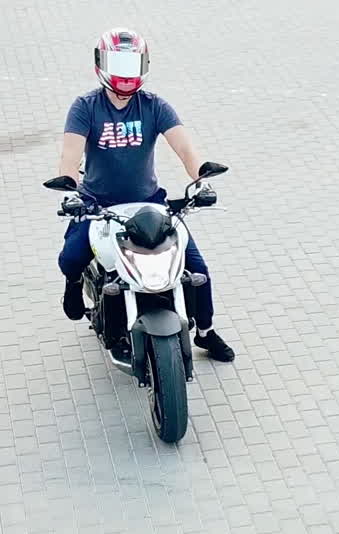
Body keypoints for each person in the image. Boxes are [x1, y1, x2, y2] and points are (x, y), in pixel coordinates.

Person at [56, 28, 235, 363]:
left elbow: (185, 149)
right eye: (119, 65)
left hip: (149, 203)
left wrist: (201, 178)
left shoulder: (155, 106)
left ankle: (205, 331)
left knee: (196, 268)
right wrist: (69, 187)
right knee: (70, 257)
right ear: (101, 64)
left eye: (132, 65)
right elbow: (70, 155)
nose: (126, 74)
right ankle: (74, 282)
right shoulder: (85, 107)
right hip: (97, 205)